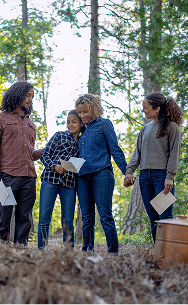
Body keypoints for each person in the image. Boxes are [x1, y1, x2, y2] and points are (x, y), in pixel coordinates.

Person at [123, 92, 183, 243]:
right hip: (144, 178)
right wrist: (129, 171)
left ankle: (168, 253)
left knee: (165, 216)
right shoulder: (145, 129)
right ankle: (157, 253)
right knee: (153, 217)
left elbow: (174, 154)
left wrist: (170, 177)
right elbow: (137, 153)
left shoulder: (172, 127)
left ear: (157, 108)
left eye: (146, 107)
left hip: (161, 178)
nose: (143, 110)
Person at [0, 81, 40, 245]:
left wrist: (48, 149)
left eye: (32, 96)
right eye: (27, 95)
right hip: (7, 178)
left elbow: (30, 155)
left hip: (29, 178)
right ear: (17, 94)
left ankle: (21, 252)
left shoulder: (31, 125)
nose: (30, 99)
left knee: (24, 219)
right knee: (3, 218)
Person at [76, 93, 127, 253]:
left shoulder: (104, 124)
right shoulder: (80, 130)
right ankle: (87, 250)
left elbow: (115, 149)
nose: (82, 115)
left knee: (105, 216)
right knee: (86, 218)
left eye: (85, 111)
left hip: (101, 174)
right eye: (80, 112)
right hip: (82, 177)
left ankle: (113, 251)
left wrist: (127, 171)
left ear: (94, 109)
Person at [37, 110, 83, 249]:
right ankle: (41, 250)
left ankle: (68, 251)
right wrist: (54, 166)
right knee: (44, 218)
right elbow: (44, 155)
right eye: (68, 122)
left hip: (69, 183)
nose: (70, 125)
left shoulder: (83, 141)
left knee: (68, 221)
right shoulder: (59, 135)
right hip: (50, 179)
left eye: (74, 122)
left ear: (81, 123)